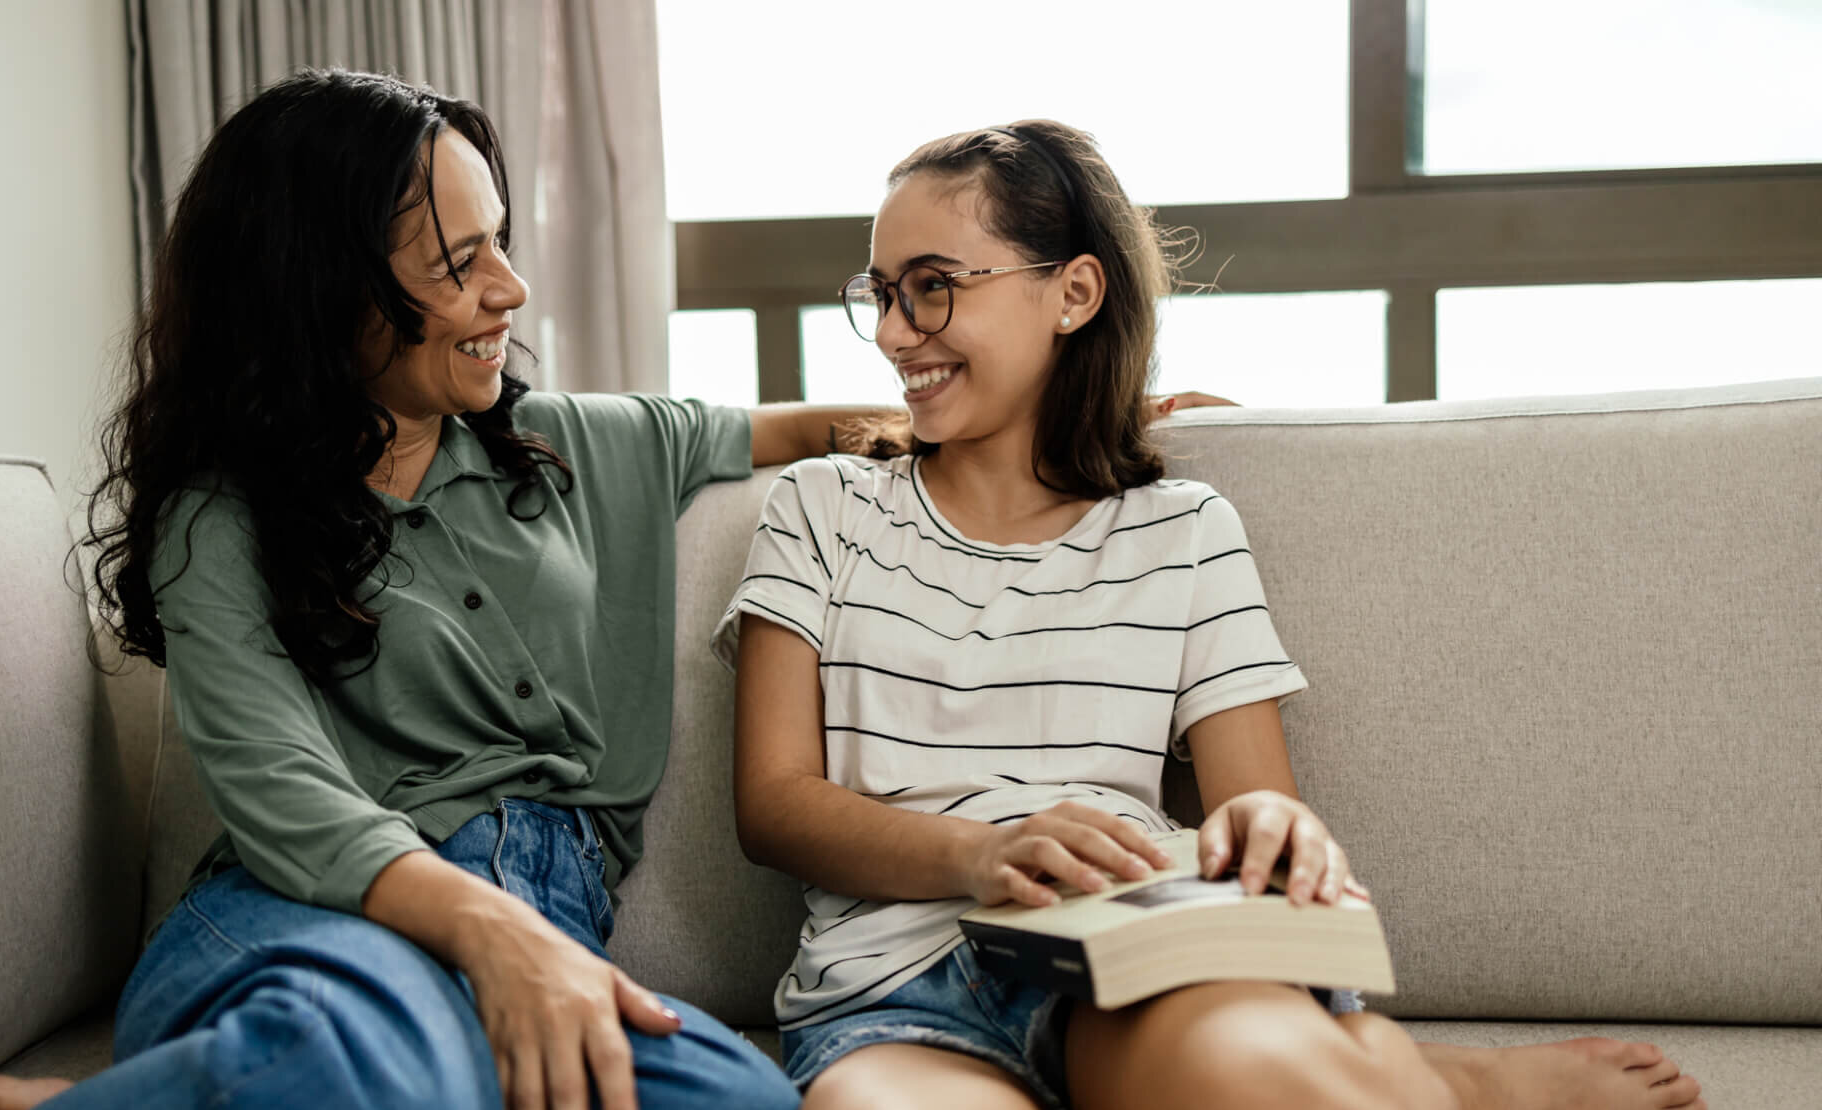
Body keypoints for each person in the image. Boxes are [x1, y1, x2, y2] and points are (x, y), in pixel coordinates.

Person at [0, 68, 919, 1110]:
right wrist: (489, 932)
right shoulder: (220, 516)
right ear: (323, 294)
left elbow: (807, 428)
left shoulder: (571, 446)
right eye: (458, 264)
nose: (509, 287)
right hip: (315, 920)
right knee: (350, 1064)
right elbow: (282, 791)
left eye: (498, 241)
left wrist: (1076, 424)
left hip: (545, 928)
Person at [719, 120, 1708, 1110]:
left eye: (932, 286)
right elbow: (772, 805)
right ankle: (1413, 1073)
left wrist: (1276, 827)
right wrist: (978, 854)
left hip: (1132, 953)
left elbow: (1249, 805)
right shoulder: (823, 509)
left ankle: (1393, 1075)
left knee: (1262, 1084)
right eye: (882, 294)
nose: (894, 332)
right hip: (895, 995)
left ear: (1071, 292)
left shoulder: (1182, 529)